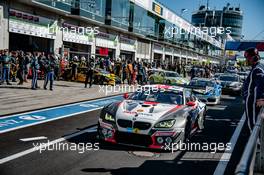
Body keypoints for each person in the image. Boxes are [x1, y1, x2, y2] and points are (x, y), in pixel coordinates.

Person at [243, 47, 264, 133]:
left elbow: (262, 83)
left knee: (253, 125)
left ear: (253, 58)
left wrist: (262, 98)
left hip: (253, 103)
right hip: (252, 102)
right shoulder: (258, 67)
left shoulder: (257, 69)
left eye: (247, 58)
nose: (246, 60)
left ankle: (257, 145)